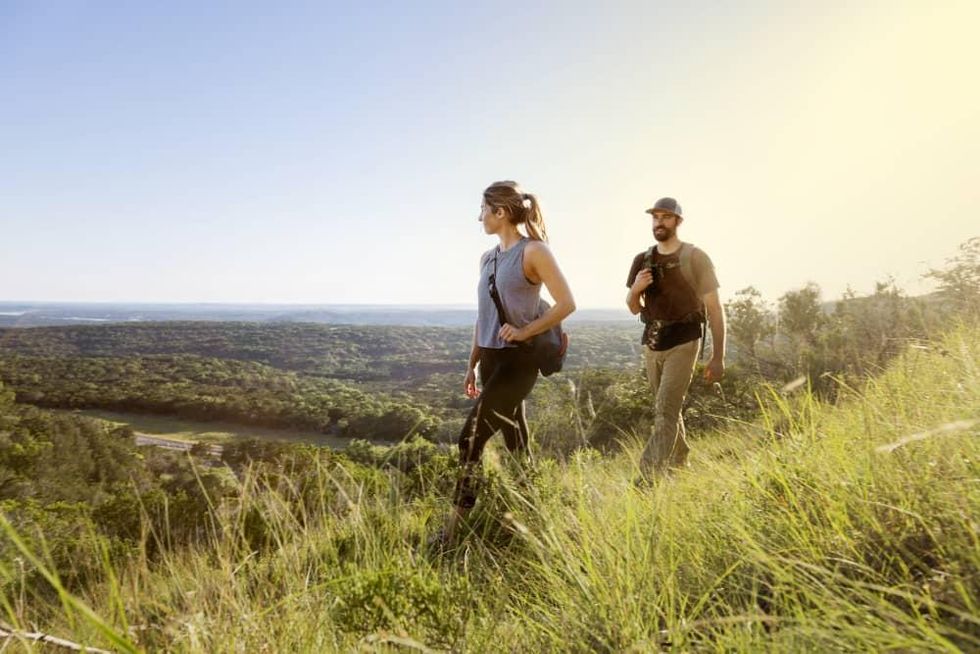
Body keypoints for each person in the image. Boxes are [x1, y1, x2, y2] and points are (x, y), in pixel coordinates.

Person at [444, 180, 575, 540]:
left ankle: (455, 529)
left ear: (500, 212)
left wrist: (525, 331)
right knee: (515, 437)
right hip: (489, 360)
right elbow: (482, 316)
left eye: (484, 210)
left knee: (469, 439)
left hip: (518, 363)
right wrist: (470, 364)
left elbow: (567, 303)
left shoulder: (533, 252)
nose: (480, 217)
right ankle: (536, 512)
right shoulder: (487, 258)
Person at [625, 197, 726, 480]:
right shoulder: (642, 260)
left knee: (664, 411)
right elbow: (634, 307)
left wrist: (718, 357)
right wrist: (636, 289)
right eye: (655, 217)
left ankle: (646, 479)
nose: (659, 222)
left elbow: (716, 310)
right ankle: (681, 459)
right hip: (652, 343)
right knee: (667, 407)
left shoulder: (695, 258)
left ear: (678, 221)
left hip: (684, 342)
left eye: (666, 217)